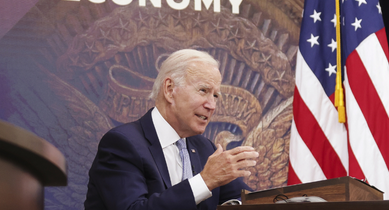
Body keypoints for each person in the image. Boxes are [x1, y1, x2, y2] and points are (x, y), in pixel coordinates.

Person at [84, 49, 259, 210]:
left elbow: (247, 199)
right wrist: (204, 181)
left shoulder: (206, 148)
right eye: (203, 90)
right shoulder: (121, 144)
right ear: (169, 90)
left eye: (215, 95)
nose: (211, 105)